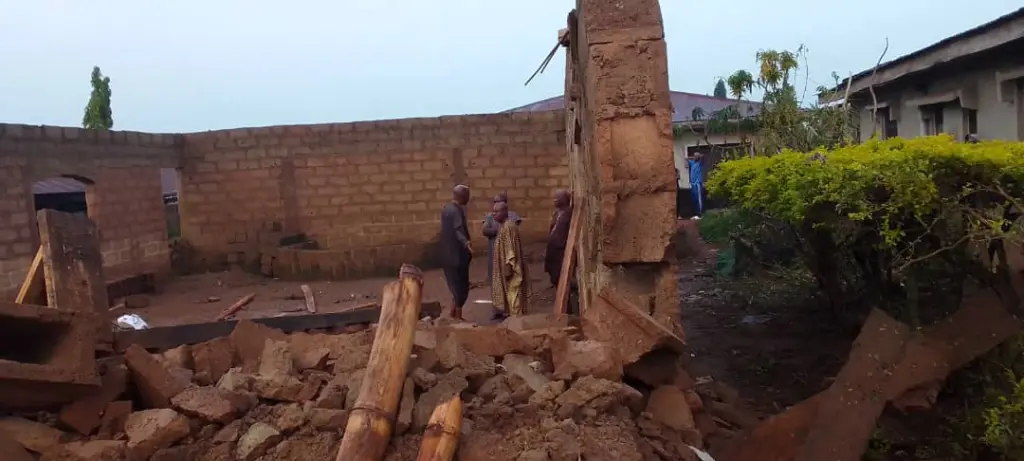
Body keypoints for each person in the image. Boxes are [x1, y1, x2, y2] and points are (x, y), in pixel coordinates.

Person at [491, 201, 529, 318]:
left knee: (514, 297)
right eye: (493, 211)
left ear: (504, 212)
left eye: (496, 211)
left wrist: (508, 269)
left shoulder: (508, 227)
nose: (493, 214)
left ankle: (517, 323)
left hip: (511, 271)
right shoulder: (504, 226)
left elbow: (510, 251)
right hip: (506, 271)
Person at [440, 185, 472, 320]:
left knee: (455, 285)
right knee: (461, 287)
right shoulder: (456, 212)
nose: (469, 198)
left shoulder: (446, 209)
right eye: (468, 195)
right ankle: (458, 318)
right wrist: (466, 243)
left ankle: (452, 314)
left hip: (447, 254)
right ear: (463, 196)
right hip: (457, 256)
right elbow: (458, 229)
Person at [482, 192, 521, 281]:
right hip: (494, 250)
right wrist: (500, 231)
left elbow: (513, 231)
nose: (496, 204)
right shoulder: (490, 216)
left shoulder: (512, 216)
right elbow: (484, 230)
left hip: (509, 251)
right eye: (494, 202)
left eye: (498, 202)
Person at [544, 189, 573, 287]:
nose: (555, 200)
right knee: (552, 271)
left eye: (558, 197)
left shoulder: (569, 213)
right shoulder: (556, 214)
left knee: (559, 274)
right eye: (554, 198)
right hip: (553, 248)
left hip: (561, 249)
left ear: (565, 199)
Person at [687, 152, 705, 220]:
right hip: (693, 183)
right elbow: (686, 158)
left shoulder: (700, 163)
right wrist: (693, 157)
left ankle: (700, 214)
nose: (695, 157)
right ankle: (695, 214)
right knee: (694, 199)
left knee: (699, 198)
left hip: (698, 183)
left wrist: (697, 156)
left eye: (696, 156)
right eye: (694, 155)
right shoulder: (692, 163)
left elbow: (702, 156)